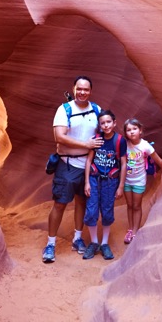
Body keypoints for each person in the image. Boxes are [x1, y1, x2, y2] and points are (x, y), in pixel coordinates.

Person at [42, 76, 104, 263]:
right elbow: (59, 137)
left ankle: (77, 239)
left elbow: (103, 133)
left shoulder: (96, 110)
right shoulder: (64, 109)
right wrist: (86, 144)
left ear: (90, 91)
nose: (82, 92)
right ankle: (51, 243)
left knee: (81, 202)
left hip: (89, 166)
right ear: (74, 89)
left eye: (86, 89)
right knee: (60, 203)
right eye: (79, 89)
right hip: (68, 165)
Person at [83, 110, 127, 260]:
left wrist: (121, 186)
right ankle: (94, 242)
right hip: (94, 180)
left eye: (108, 122)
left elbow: (123, 163)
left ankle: (104, 243)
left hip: (110, 181)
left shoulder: (119, 140)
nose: (106, 125)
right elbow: (89, 160)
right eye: (103, 123)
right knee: (91, 211)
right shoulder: (96, 139)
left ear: (114, 123)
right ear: (99, 125)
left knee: (107, 211)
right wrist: (87, 182)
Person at [123, 118, 162, 244]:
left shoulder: (145, 145)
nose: (132, 132)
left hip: (139, 180)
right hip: (127, 180)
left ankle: (135, 231)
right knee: (129, 205)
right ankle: (130, 229)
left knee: (136, 205)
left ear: (140, 130)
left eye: (134, 129)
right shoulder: (125, 144)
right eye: (128, 130)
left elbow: (158, 160)